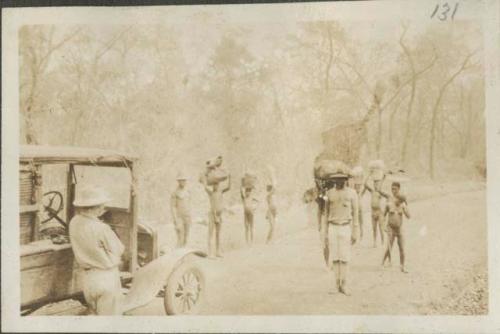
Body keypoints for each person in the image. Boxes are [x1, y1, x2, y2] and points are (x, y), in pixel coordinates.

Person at [68, 186, 125, 315]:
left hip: (88, 280)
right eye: (102, 206)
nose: (103, 209)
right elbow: (119, 249)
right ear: (96, 208)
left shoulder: (74, 222)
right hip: (106, 277)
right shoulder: (101, 228)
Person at [324, 172, 359, 295]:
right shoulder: (329, 193)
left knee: (344, 257)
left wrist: (355, 231)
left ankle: (344, 284)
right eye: (337, 180)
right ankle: (335, 284)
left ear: (345, 180)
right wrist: (325, 233)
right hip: (333, 227)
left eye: (342, 179)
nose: (340, 182)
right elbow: (326, 214)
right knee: (335, 257)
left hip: (345, 227)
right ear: (334, 181)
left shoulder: (352, 193)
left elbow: (356, 213)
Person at [380, 182, 411, 273]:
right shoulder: (389, 202)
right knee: (389, 246)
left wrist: (405, 209)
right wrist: (383, 226)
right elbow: (383, 214)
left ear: (398, 190)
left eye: (395, 189)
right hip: (390, 228)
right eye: (392, 189)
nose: (393, 191)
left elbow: (409, 216)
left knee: (402, 247)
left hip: (399, 228)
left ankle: (402, 266)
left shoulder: (403, 203)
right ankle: (382, 263)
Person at [204, 162, 231, 258]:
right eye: (214, 184)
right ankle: (210, 252)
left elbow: (228, 187)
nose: (216, 186)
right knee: (210, 233)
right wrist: (205, 175)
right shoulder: (211, 193)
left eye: (217, 184)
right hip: (212, 214)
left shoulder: (220, 192)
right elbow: (205, 187)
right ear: (213, 186)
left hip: (219, 215)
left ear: (219, 185)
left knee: (218, 234)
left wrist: (230, 177)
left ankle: (218, 252)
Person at [363, 174, 386, 248]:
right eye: (375, 184)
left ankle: (383, 242)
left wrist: (383, 176)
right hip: (373, 212)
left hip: (379, 212)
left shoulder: (380, 191)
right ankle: (375, 242)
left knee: (381, 228)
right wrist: (368, 176)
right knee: (374, 228)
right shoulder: (372, 191)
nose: (376, 185)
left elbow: (382, 182)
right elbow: (365, 184)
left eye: (377, 184)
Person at [170, 172, 192, 247]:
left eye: (184, 180)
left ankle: (184, 256)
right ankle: (178, 255)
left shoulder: (188, 191)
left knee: (186, 238)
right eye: (181, 180)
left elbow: (189, 204)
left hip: (187, 217)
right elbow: (173, 207)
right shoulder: (175, 193)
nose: (183, 182)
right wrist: (175, 219)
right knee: (180, 237)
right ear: (178, 181)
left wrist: (190, 216)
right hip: (179, 218)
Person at [350, 166, 365, 242]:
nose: (358, 187)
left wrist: (362, 178)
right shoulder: (353, 192)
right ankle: (353, 235)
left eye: (359, 186)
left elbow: (364, 185)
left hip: (359, 207)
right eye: (357, 186)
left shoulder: (360, 192)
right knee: (354, 222)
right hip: (354, 208)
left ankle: (361, 235)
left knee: (361, 222)